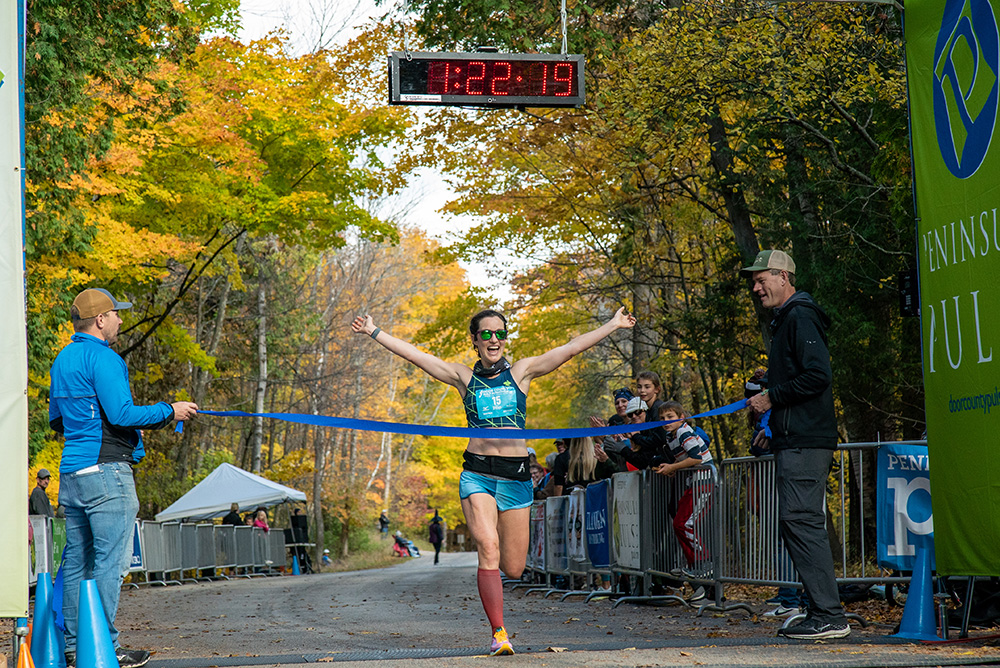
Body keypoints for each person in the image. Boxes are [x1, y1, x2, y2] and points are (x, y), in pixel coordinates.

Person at [352, 306, 635, 656]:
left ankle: (499, 606)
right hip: (478, 474)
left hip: (515, 477)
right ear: (475, 341)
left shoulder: (522, 372)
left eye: (499, 333)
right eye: (486, 334)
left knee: (513, 567)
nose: (494, 339)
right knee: (488, 547)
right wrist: (375, 331)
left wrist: (613, 323)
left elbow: (571, 348)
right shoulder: (463, 377)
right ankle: (499, 633)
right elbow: (417, 356)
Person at [50, 287, 198, 668]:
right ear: (100, 320)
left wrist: (115, 428)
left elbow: (58, 422)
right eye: (115, 314)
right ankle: (102, 645)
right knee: (110, 564)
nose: (119, 320)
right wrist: (170, 410)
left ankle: (72, 648)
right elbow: (121, 413)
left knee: (76, 562)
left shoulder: (63, 359)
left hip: (72, 472)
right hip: (107, 475)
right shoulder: (105, 358)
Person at [742, 250, 849, 640]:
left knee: (801, 522)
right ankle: (819, 609)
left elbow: (818, 375)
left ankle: (830, 615)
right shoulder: (789, 318)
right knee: (794, 523)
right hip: (794, 439)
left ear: (784, 275)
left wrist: (772, 396)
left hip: (806, 441)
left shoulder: (801, 314)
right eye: (753, 282)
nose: (756, 288)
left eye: (761, 280)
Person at [655, 401, 717, 601]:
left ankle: (704, 563)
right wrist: (672, 466)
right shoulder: (669, 436)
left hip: (704, 481)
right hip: (693, 482)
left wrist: (673, 468)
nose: (666, 421)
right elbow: (683, 460)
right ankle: (697, 567)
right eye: (663, 418)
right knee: (679, 524)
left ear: (681, 416)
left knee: (684, 524)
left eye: (670, 417)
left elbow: (696, 458)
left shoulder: (684, 432)